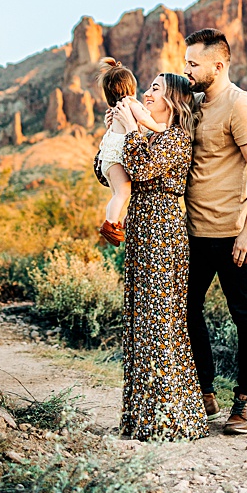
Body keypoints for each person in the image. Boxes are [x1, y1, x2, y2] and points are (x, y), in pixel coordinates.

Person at [183, 29, 247, 435]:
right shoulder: (196, 105)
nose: (186, 70)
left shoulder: (241, 107)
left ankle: (246, 401)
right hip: (193, 234)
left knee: (245, 317)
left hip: (233, 236)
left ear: (218, 66)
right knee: (186, 310)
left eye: (193, 64)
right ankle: (205, 393)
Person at [112, 73, 207, 442]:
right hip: (141, 229)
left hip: (162, 232)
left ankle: (170, 421)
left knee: (159, 322)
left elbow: (139, 168)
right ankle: (143, 419)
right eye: (148, 87)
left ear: (174, 100)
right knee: (141, 320)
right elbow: (109, 175)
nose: (147, 93)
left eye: (156, 88)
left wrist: (132, 130)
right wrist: (118, 132)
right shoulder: (150, 135)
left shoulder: (177, 139)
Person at [95, 59, 159, 245]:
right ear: (131, 87)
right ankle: (110, 224)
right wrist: (158, 127)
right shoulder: (130, 103)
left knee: (118, 193)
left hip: (108, 160)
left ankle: (115, 221)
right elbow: (144, 120)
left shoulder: (116, 109)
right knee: (122, 192)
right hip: (116, 158)